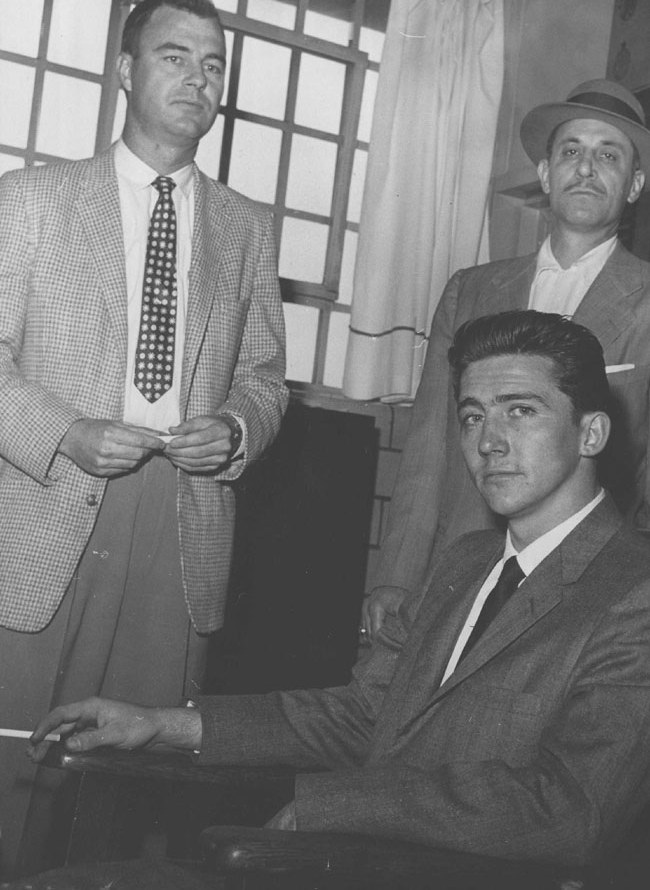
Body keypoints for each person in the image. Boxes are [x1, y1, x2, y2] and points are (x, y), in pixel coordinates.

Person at [29, 311, 650, 874]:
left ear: (591, 433)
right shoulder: (467, 562)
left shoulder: (632, 592)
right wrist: (162, 725)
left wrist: (339, 806)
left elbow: (573, 809)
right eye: (472, 415)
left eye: (521, 410)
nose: (488, 440)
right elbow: (364, 717)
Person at [0, 0, 286, 876]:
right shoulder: (32, 200)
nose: (197, 79)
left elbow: (266, 378)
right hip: (45, 502)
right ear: (125, 70)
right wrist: (66, 430)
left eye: (213, 64)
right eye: (174, 55)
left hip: (181, 522)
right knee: (13, 762)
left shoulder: (245, 227)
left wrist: (237, 428)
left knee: (130, 780)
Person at [362, 78, 650, 639]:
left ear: (635, 184)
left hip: (584, 592)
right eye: (571, 151)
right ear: (545, 175)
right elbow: (428, 448)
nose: (586, 168)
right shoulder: (470, 291)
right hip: (456, 574)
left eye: (608, 155)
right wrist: (395, 575)